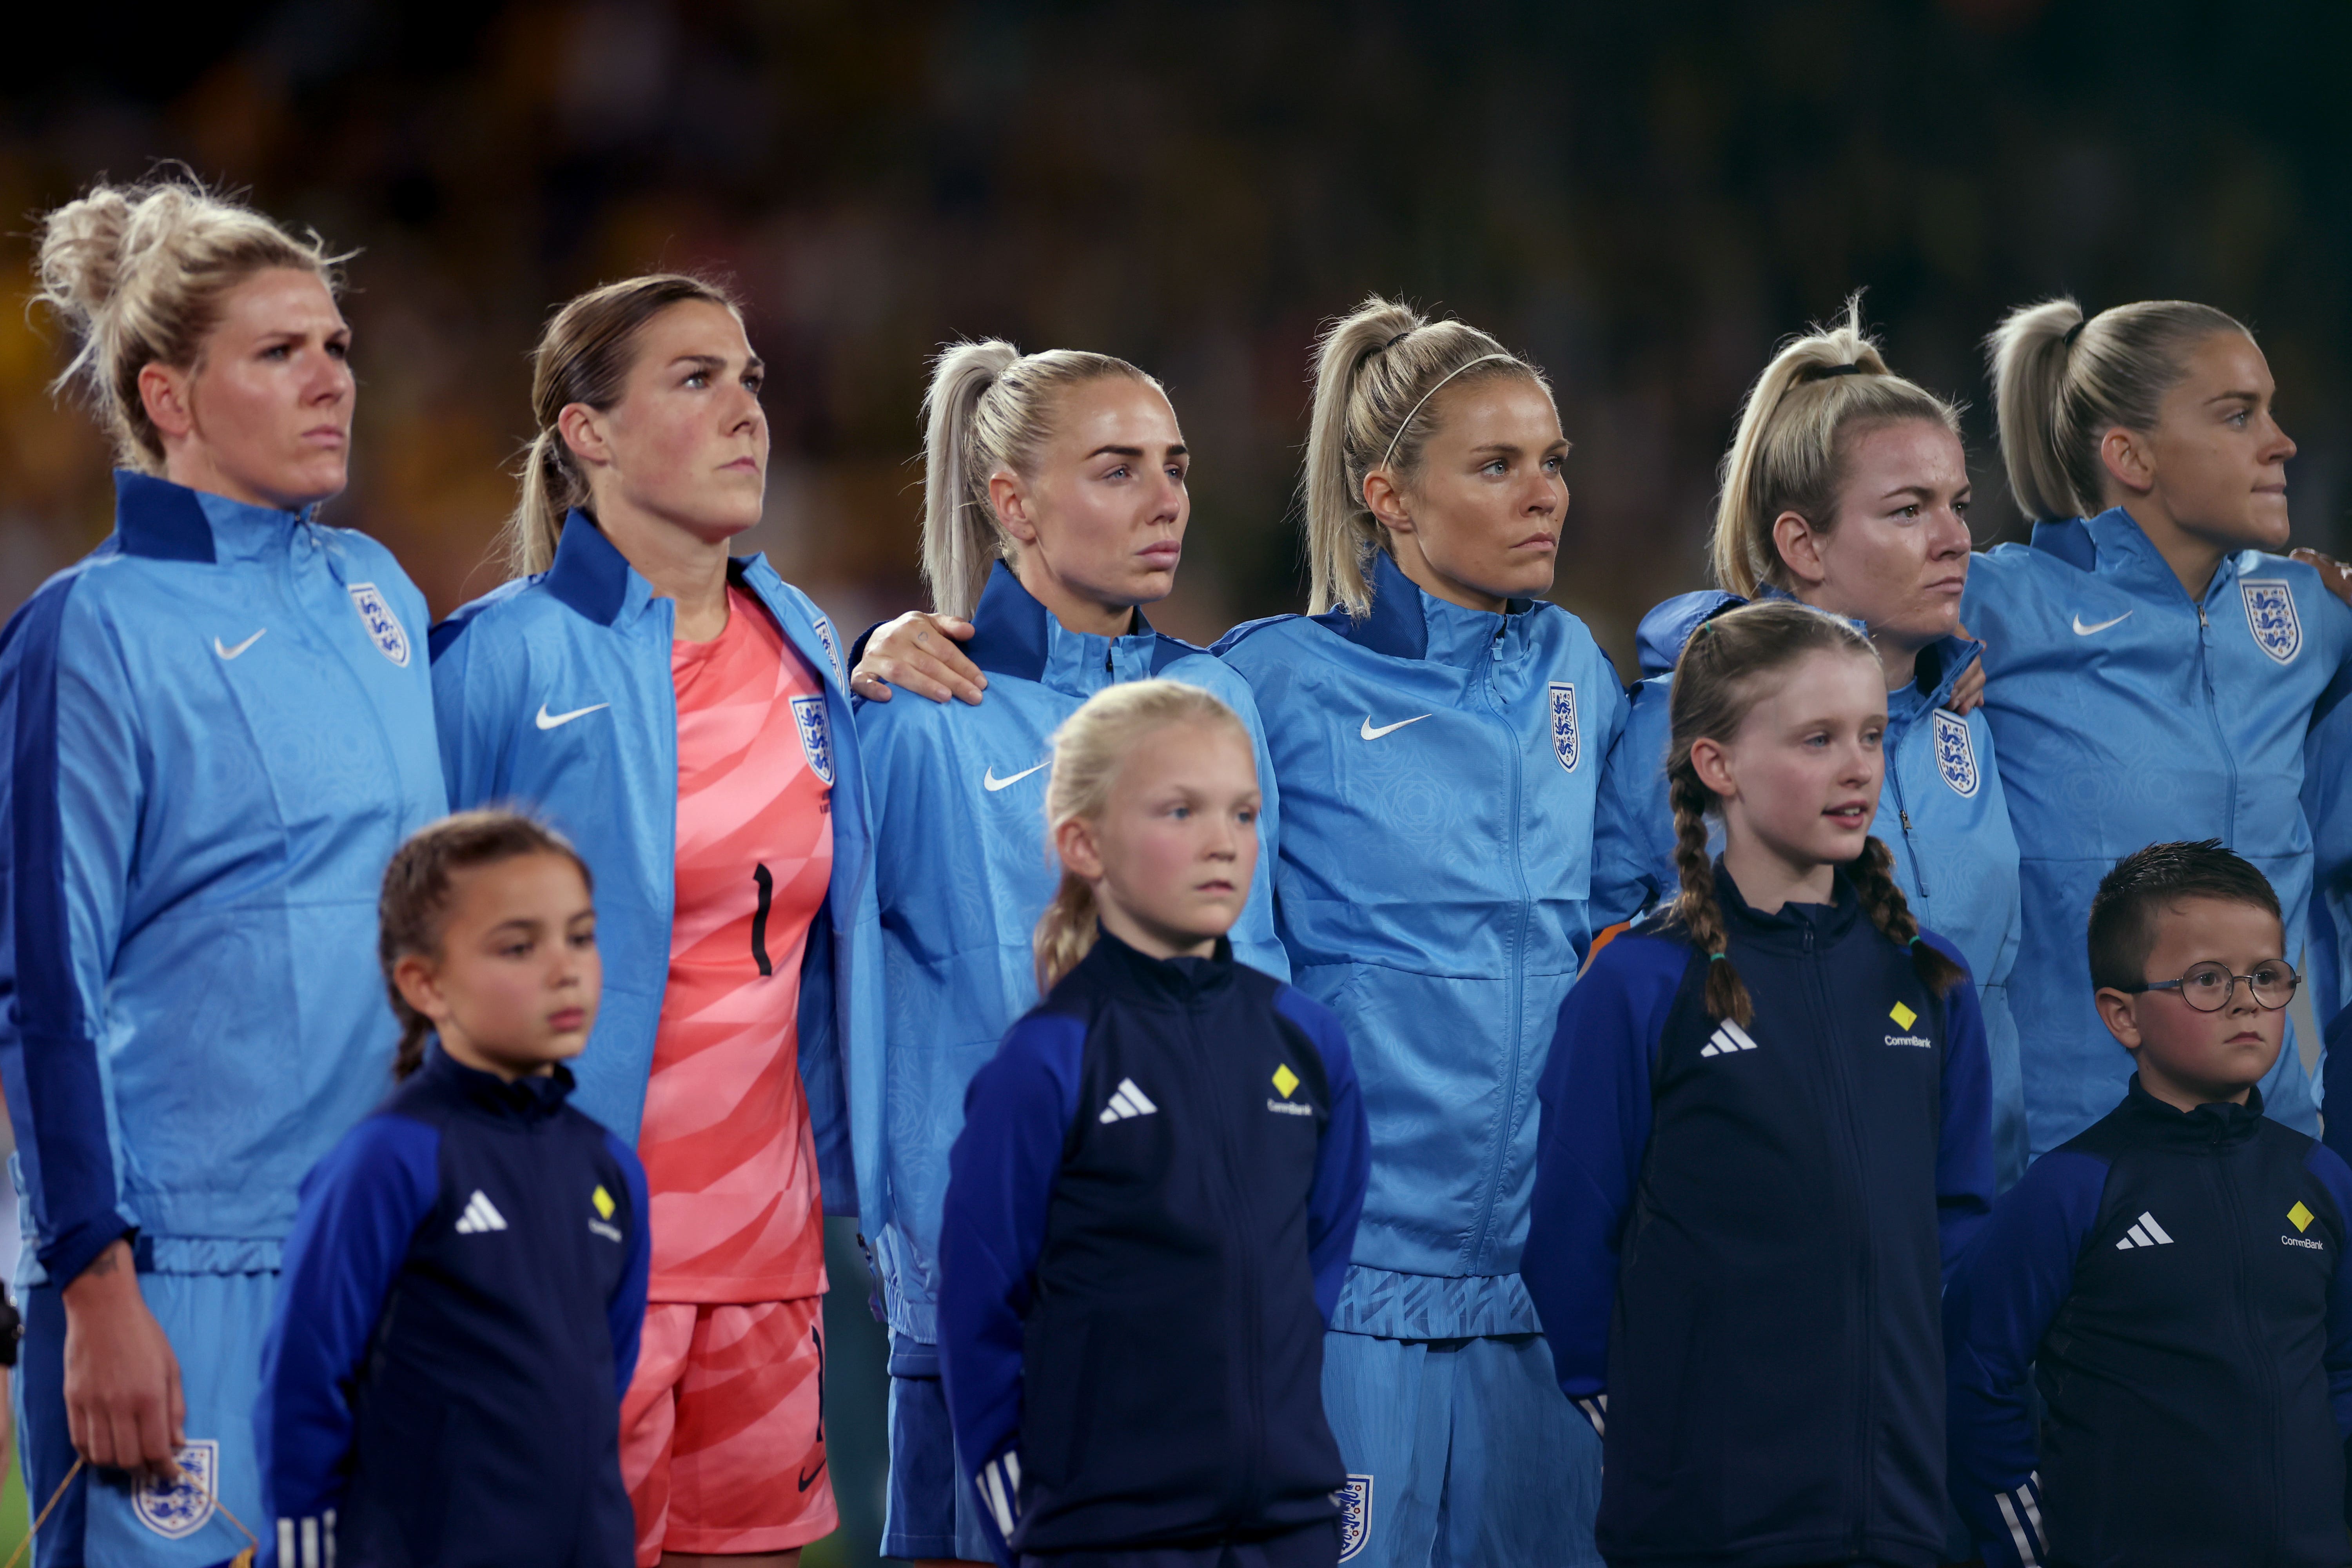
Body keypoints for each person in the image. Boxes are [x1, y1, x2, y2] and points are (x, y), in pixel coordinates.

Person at [0, 176, 446, 1566]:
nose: (332, 381)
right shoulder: (90, 630)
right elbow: (42, 989)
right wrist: (97, 1291)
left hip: (393, 1266)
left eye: (337, 348)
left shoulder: (382, 591)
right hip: (184, 1284)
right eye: (279, 353)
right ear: (171, 399)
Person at [430, 274, 871, 1568]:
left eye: (751, 380)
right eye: (696, 380)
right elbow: (399, 967)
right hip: (563, 1259)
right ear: (589, 433)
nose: (747, 411)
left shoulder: (809, 649)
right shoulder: (498, 663)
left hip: (768, 1262)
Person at [847, 340, 1286, 1568]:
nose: (1166, 502)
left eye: (1176, 469)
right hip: (990, 1317)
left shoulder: (1222, 705)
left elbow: (1261, 981)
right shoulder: (919, 719)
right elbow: (838, 999)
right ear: (1012, 505)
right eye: (1117, 470)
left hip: (1195, 1298)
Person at [1206, 296, 1625, 1567]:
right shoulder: (1271, 683)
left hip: (1546, 1297)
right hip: (1350, 1293)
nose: (1541, 492)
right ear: (1389, 496)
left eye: (1553, 461)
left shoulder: (1577, 667)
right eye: (1496, 465)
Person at [1525, 599, 1994, 1567]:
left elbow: (1954, 1232)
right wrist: (1667, 1433)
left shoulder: (1932, 978)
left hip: (1897, 1511)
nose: (1858, 765)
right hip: (1708, 1517)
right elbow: (1571, 1248)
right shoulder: (1638, 981)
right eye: (1817, 738)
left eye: (1870, 734)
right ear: (1718, 765)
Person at [1592, 301, 2028, 1183]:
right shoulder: (1678, 721)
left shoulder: (1974, 712)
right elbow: (1601, 968)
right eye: (1908, 511)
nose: (1955, 540)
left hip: (1972, 1224)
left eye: (1958, 504)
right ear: (1803, 543)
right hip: (1764, 1230)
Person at [936, 680, 1368, 1568]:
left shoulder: (1308, 1039)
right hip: (1107, 1533)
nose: (1224, 842)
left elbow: (1312, 1261)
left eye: (1243, 813)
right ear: (1083, 844)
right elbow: (980, 1314)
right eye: (1181, 810)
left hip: (1287, 1528)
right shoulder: (1047, 1061)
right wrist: (1036, 1519)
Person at [1962, 297, 2351, 1161]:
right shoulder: (2000, 606)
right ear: (2130, 455)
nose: (2281, 441)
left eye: (2272, 408)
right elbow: (1758, 638)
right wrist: (1907, 654)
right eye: (2238, 414)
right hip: (2078, 1169)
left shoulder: (2303, 614)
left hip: (2273, 1155)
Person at [257, 811, 650, 1568]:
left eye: (580, 935)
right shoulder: (388, 1161)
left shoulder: (611, 1172)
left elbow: (606, 1380)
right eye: (518, 947)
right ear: (425, 983)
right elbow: (303, 1385)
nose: (565, 968)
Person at [1944, 840, 2352, 1567]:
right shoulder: (2070, 1191)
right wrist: (2034, 1546)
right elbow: (1974, 1376)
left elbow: (2345, 1369)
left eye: (2266, 976)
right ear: (2123, 1015)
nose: (2246, 1003)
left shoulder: (2321, 1179)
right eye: (2206, 980)